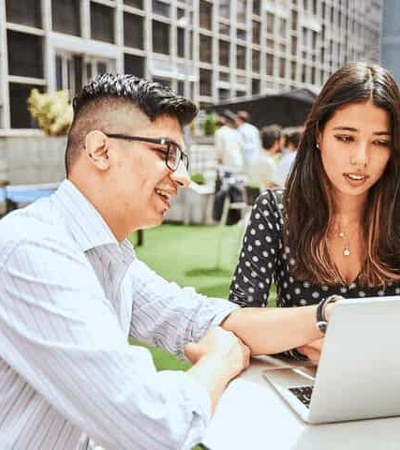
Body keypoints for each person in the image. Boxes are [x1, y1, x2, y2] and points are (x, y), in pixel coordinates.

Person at [0, 73, 328, 450]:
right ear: (100, 150)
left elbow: (196, 317)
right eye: (166, 152)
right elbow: (151, 426)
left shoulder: (109, 256)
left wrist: (326, 316)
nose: (183, 177)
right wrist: (219, 361)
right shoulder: (32, 251)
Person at [229, 61, 400, 363]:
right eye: (345, 138)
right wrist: (303, 343)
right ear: (319, 135)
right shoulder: (276, 211)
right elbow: (238, 324)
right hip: (300, 382)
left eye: (380, 142)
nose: (361, 159)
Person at [248, 123, 282, 191]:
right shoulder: (269, 162)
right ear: (276, 142)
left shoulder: (255, 157)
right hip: (265, 198)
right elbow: (274, 185)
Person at [214, 109, 244, 176]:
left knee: (227, 181)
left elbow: (219, 148)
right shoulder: (235, 132)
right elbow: (242, 145)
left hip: (227, 161)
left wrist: (219, 159)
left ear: (217, 126)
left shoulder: (219, 132)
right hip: (238, 160)